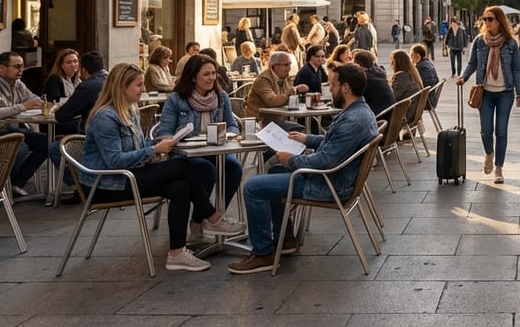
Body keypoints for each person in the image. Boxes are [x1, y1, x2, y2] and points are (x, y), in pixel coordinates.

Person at [82, 62, 243, 273]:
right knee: (183, 166)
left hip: (129, 175)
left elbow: (136, 147)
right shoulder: (105, 117)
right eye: (139, 85)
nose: (144, 89)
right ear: (122, 87)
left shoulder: (129, 111)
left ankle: (177, 253)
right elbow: (114, 161)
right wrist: (154, 149)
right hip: (108, 184)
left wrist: (160, 143)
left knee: (180, 188)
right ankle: (211, 216)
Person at [228, 63, 379, 274]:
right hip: (337, 178)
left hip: (329, 183)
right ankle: (286, 238)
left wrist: (291, 160)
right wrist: (306, 139)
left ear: (345, 88)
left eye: (333, 85)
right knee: (273, 173)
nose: (331, 90)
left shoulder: (352, 120)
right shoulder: (360, 111)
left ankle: (263, 253)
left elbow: (325, 161)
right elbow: (332, 143)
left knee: (253, 187)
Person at [159, 55, 242, 212]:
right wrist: (177, 137)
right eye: (206, 74)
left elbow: (233, 126)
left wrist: (229, 135)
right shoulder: (176, 99)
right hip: (186, 154)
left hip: (216, 150)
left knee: (234, 168)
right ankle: (204, 217)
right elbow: (165, 132)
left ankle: (215, 215)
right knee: (205, 169)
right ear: (193, 78)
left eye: (213, 73)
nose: (212, 78)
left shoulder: (221, 97)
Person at [458, 6, 520, 183]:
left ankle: (499, 169)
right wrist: (463, 77)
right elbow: (472, 63)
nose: (486, 22)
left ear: (499, 21)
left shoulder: (510, 42)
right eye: (484, 19)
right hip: (485, 92)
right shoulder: (479, 41)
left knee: (501, 130)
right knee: (486, 129)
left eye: (490, 19)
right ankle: (489, 153)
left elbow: (517, 69)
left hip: (505, 93)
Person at [0, 52, 47, 196]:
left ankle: (16, 183)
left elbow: (32, 98)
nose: (21, 70)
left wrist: (40, 103)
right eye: (17, 66)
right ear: (2, 68)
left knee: (46, 142)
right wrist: (22, 106)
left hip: (8, 129)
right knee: (20, 146)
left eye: (23, 66)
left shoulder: (17, 84)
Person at [246, 51, 309, 128]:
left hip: (275, 122)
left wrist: (296, 89)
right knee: (298, 131)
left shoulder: (282, 78)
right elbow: (272, 101)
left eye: (290, 64)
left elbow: (287, 94)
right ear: (273, 66)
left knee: (301, 131)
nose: (289, 68)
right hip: (259, 123)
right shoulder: (263, 80)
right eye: (286, 65)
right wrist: (291, 93)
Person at [55, 51, 107, 135]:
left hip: (92, 137)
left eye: (75, 61)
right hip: (115, 131)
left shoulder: (87, 86)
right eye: (69, 62)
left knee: (52, 147)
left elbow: (61, 116)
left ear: (84, 70)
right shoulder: (112, 81)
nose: (73, 65)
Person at [353, 48, 395, 115]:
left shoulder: (365, 78)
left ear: (358, 64)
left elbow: (353, 98)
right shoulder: (378, 73)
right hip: (389, 113)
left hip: (378, 116)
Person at [388, 49, 424, 119]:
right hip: (411, 111)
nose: (390, 63)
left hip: (404, 115)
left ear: (397, 63)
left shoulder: (402, 76)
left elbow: (392, 96)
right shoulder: (412, 72)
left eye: (392, 61)